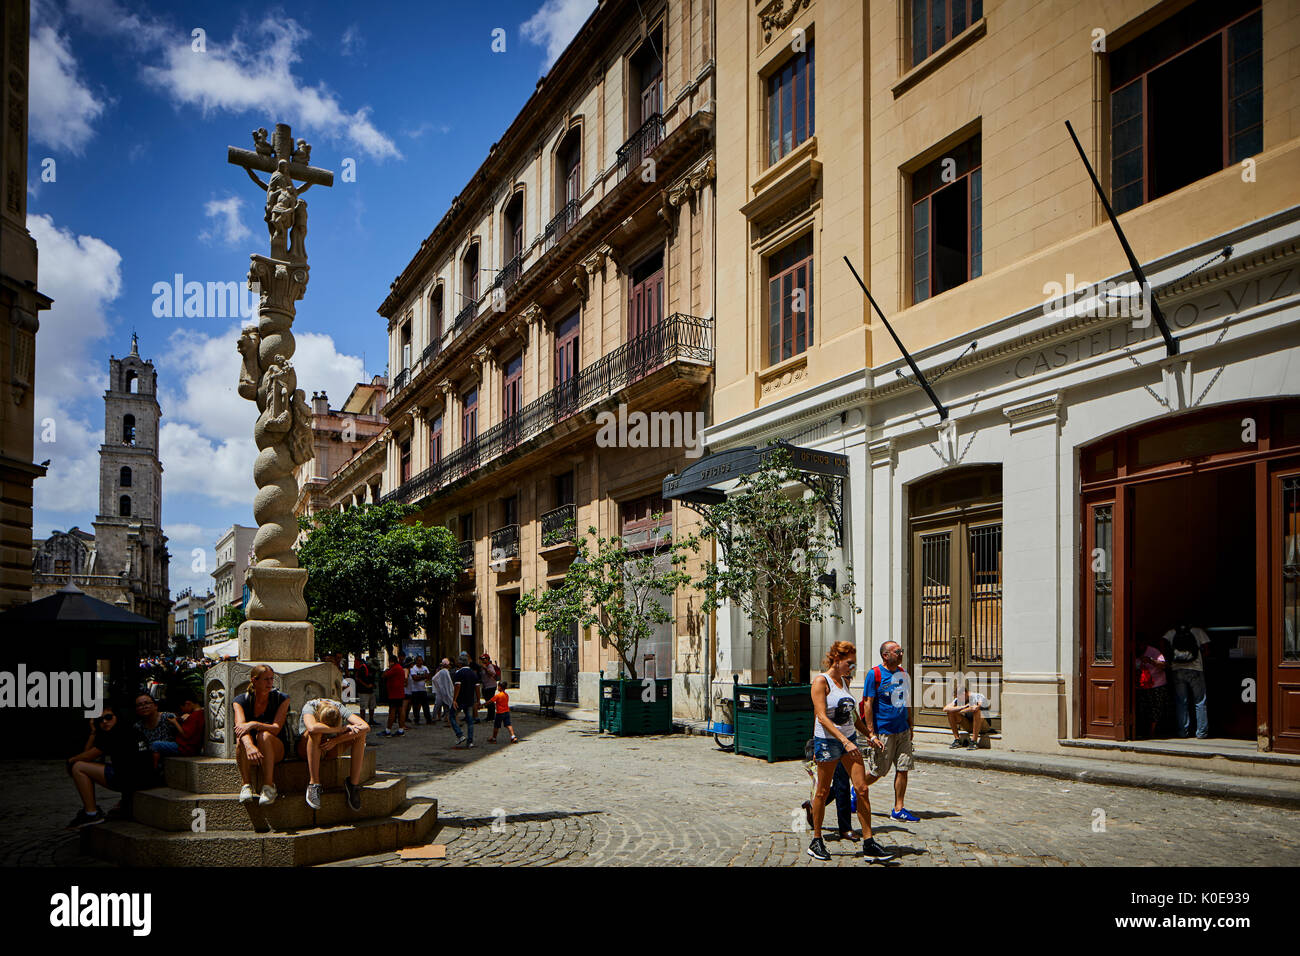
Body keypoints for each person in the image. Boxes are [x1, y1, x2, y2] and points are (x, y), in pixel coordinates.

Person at [806, 641, 895, 863]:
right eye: (850, 663)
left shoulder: (844, 682)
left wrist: (870, 735)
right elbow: (821, 717)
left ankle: (869, 842)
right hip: (828, 742)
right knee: (823, 791)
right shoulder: (821, 681)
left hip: (849, 741)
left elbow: (852, 716)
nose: (852, 668)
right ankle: (816, 841)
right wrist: (844, 741)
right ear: (836, 660)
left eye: (853, 664)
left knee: (862, 789)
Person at [66, 705, 155, 828]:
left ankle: (91, 813)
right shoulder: (128, 729)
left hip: (132, 781)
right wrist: (93, 732)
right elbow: (87, 756)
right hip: (144, 779)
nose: (104, 722)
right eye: (99, 720)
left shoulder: (115, 733)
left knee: (78, 767)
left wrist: (71, 761)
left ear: (116, 717)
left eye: (108, 717)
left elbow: (86, 757)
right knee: (82, 765)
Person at [860, 640, 919, 824]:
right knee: (879, 771)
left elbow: (906, 699)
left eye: (901, 651)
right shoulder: (875, 674)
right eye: (897, 651)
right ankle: (858, 788)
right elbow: (868, 703)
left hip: (902, 729)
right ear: (886, 655)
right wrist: (871, 733)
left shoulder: (903, 674)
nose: (901, 653)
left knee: (903, 768)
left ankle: (898, 808)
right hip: (883, 730)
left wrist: (910, 724)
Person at [231, 664, 291, 807]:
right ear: (254, 680)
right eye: (266, 680)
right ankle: (246, 784)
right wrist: (250, 746)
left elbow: (276, 728)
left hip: (276, 747)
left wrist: (254, 724)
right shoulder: (240, 700)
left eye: (271, 679)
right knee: (241, 741)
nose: (270, 683)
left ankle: (269, 786)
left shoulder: (282, 699)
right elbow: (239, 727)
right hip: (252, 751)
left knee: (264, 735)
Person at [297, 697, 368, 811]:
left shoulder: (338, 707)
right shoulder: (310, 707)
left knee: (360, 733)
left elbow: (365, 727)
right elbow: (312, 727)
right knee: (316, 732)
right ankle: (314, 784)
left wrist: (336, 740)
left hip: (330, 748)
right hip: (307, 749)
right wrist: (338, 729)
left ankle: (353, 784)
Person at [801, 741, 858, 842]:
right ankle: (845, 828)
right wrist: (816, 748)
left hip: (844, 743)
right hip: (828, 744)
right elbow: (820, 725)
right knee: (841, 783)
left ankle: (814, 808)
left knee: (840, 784)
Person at [1164, 624, 1211, 738]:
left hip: (1177, 669)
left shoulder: (1171, 632)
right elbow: (1207, 650)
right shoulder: (1198, 631)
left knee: (1181, 702)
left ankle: (1182, 732)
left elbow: (1164, 646)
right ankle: (1201, 732)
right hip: (1195, 669)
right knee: (1200, 701)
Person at [1136, 641, 1169, 738]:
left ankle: (1152, 732)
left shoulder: (1154, 652)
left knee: (1155, 708)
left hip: (1156, 684)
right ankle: (1142, 731)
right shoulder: (1132, 652)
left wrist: (1151, 661)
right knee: (1142, 708)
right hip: (1140, 686)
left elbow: (1163, 665)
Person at [449, 652, 481, 748]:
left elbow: (457, 686)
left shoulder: (459, 673)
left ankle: (460, 734)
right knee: (470, 720)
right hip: (470, 700)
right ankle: (470, 741)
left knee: (452, 716)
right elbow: (477, 687)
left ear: (460, 663)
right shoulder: (473, 673)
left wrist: (454, 699)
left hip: (460, 700)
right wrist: (478, 700)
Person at [133, 692, 178, 761]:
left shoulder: (168, 718)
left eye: (147, 703)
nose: (144, 707)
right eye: (139, 705)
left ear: (155, 706)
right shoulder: (138, 727)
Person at [162, 691, 206, 757]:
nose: (183, 711)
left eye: (182, 708)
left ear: (187, 703)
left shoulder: (194, 716)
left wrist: (175, 722)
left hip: (185, 748)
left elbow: (185, 734)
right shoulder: (201, 713)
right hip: (192, 748)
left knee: (155, 745)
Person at [382, 655, 407, 736]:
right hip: (399, 693)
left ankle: (388, 730)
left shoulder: (395, 668)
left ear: (391, 661)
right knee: (400, 711)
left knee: (392, 711)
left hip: (394, 694)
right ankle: (401, 730)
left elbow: (384, 675)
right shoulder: (400, 668)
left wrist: (387, 669)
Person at [487, 679, 518, 744]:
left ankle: (494, 738)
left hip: (499, 713)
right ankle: (513, 736)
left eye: (498, 686)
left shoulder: (498, 695)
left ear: (500, 687)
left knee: (496, 726)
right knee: (508, 725)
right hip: (506, 712)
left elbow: (490, 701)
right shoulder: (506, 695)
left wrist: (482, 705)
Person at [409, 656, 432, 725]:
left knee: (426, 706)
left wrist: (420, 677)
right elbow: (414, 678)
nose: (420, 662)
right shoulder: (413, 668)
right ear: (416, 661)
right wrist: (423, 676)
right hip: (415, 690)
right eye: (419, 661)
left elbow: (428, 676)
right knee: (415, 706)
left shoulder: (425, 667)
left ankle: (428, 719)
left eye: (421, 660)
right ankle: (416, 719)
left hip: (423, 690)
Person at [431, 658, 455, 725]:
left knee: (441, 706)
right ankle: (446, 720)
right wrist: (439, 687)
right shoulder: (444, 671)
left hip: (443, 692)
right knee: (444, 705)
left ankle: (446, 719)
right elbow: (434, 679)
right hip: (444, 692)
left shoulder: (444, 671)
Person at [354, 658, 376, 724]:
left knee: (372, 706)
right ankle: (362, 721)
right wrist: (366, 685)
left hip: (370, 690)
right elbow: (358, 678)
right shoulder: (362, 668)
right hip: (363, 691)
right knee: (363, 706)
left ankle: (371, 720)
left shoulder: (372, 669)